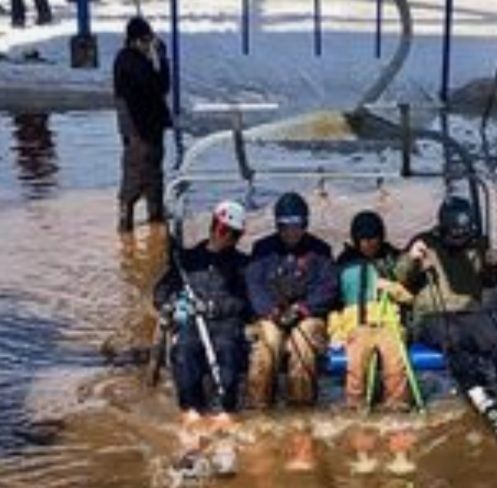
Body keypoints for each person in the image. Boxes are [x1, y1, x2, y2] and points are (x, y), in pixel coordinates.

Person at [395, 195, 497, 456]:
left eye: (464, 233)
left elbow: (490, 282)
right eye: (455, 234)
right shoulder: (423, 242)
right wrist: (412, 259)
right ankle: (477, 390)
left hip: (471, 309)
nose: (460, 239)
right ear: (444, 227)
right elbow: (401, 277)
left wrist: (494, 265)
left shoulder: (477, 244)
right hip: (434, 314)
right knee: (455, 342)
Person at [153, 200, 250, 432]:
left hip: (226, 324)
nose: (223, 237)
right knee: (184, 349)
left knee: (227, 349)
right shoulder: (187, 259)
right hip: (193, 322)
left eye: (232, 234)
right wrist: (170, 305)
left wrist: (217, 307)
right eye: (221, 229)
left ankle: (226, 411)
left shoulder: (242, 265)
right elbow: (162, 290)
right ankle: (191, 409)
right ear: (213, 225)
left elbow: (247, 300)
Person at [245, 192, 338, 408]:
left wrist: (303, 309)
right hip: (272, 316)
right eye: (285, 226)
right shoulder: (262, 250)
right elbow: (254, 285)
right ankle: (259, 407)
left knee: (303, 347)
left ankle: (301, 408)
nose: (291, 231)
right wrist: (271, 311)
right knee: (267, 347)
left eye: (297, 225)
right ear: (278, 226)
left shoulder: (320, 251)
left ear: (305, 224)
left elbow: (328, 287)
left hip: (307, 317)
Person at [331, 210, 413, 410]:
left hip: (389, 325)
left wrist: (394, 289)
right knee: (357, 362)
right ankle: (355, 407)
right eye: (364, 240)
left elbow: (412, 299)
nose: (370, 244)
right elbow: (334, 304)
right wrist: (335, 332)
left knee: (395, 361)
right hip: (357, 327)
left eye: (374, 238)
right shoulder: (343, 264)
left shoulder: (394, 259)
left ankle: (397, 405)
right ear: (356, 240)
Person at [113, 16, 172, 235]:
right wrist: (160, 58)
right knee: (136, 178)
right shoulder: (129, 61)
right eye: (146, 40)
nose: (149, 45)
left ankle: (154, 225)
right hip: (139, 132)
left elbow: (161, 87)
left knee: (152, 179)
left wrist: (161, 58)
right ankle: (128, 225)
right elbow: (157, 85)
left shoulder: (137, 60)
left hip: (148, 131)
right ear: (135, 40)